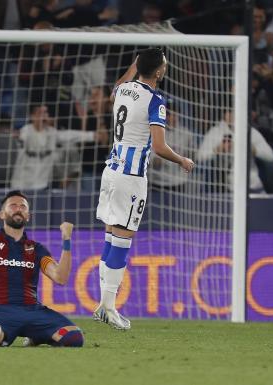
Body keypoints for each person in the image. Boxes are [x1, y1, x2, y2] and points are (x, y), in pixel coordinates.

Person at [95, 48, 195, 330]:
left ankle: (104, 304)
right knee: (122, 241)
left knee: (111, 238)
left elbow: (115, 90)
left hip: (111, 170)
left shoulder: (124, 89)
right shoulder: (156, 100)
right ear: (160, 72)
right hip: (131, 177)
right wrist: (182, 160)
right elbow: (161, 147)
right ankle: (109, 307)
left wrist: (134, 66)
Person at [0, 190, 83, 347]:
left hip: (32, 310)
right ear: (2, 214)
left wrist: (66, 240)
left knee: (74, 338)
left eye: (23, 206)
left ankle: (36, 337)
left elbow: (61, 277)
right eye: (13, 205)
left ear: (28, 216)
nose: (18, 208)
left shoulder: (36, 248)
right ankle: (22, 335)